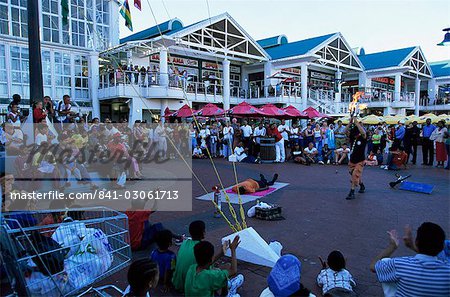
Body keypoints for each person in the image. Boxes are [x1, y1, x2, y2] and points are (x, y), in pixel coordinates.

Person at [370, 222, 450, 297]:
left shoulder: (400, 264)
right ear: (442, 247)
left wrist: (392, 246)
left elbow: (373, 266)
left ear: (417, 242)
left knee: (385, 262)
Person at [172, 220, 205, 292]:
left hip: (176, 282)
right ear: (203, 233)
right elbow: (207, 264)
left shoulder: (185, 242)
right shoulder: (201, 248)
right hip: (188, 286)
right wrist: (222, 252)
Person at [345, 116, 367, 200]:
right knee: (354, 174)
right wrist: (350, 123)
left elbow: (363, 133)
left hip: (360, 160)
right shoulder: (352, 138)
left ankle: (352, 192)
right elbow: (345, 131)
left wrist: (357, 122)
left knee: (354, 175)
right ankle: (361, 185)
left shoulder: (363, 137)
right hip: (352, 160)